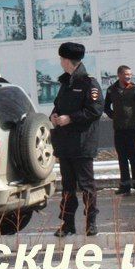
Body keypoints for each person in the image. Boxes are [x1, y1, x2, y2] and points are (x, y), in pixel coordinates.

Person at [49, 41, 103, 236]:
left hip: (82, 144)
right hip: (65, 144)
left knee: (87, 186)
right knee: (67, 187)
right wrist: (54, 116)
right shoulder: (65, 82)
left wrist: (70, 118)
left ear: (67, 60)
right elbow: (58, 106)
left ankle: (90, 222)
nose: (61, 62)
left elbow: (95, 110)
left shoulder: (89, 83)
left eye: (62, 59)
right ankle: (68, 223)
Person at [105, 65, 135, 195]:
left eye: (130, 74)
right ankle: (125, 185)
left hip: (133, 129)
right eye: (126, 74)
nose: (128, 76)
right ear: (119, 75)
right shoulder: (111, 90)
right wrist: (114, 116)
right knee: (122, 159)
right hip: (119, 130)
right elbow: (106, 107)